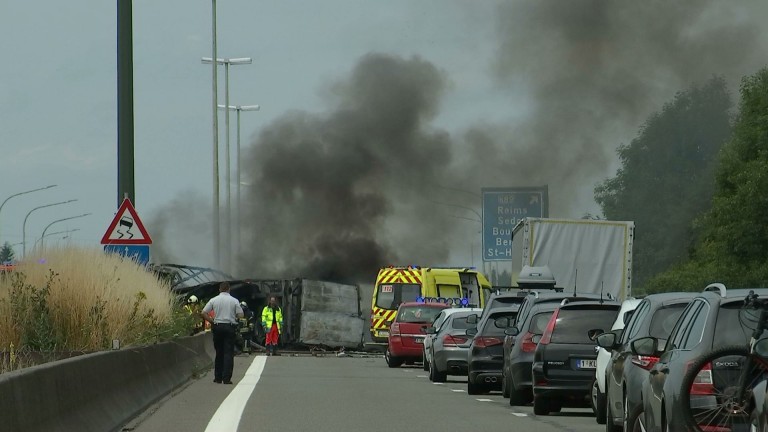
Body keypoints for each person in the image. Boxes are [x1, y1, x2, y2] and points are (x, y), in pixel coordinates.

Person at [200, 282, 244, 384]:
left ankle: (218, 378)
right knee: (228, 353)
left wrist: (212, 321)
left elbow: (203, 312)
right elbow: (241, 314)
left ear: (219, 289)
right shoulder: (234, 301)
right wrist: (235, 318)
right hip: (229, 327)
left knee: (219, 352)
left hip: (218, 327)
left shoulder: (214, 300)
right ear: (229, 289)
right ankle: (226, 378)